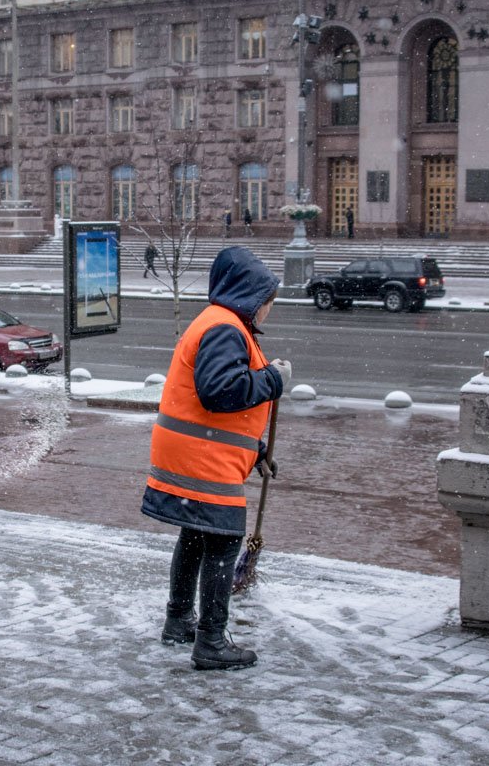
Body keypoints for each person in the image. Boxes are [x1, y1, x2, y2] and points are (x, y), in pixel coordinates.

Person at [142, 246, 290, 671]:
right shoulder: (225, 328)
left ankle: (178, 621)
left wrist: (254, 450)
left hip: (194, 453)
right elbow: (221, 392)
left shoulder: (220, 323)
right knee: (223, 543)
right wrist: (273, 379)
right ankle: (210, 641)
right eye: (267, 301)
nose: (268, 310)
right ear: (249, 295)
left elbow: (211, 404)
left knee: (194, 536)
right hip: (201, 460)